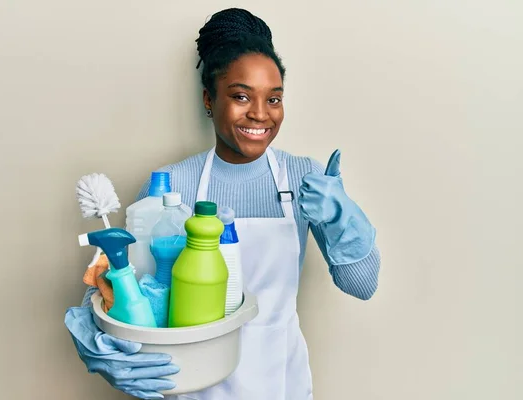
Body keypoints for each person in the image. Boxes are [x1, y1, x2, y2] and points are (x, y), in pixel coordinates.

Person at [65, 7, 381, 400]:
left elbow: (362, 285)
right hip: (190, 383)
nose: (260, 114)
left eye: (275, 98)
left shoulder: (305, 178)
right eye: (241, 96)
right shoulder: (170, 183)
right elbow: (110, 282)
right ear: (208, 100)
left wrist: (341, 218)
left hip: (278, 382)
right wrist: (98, 347)